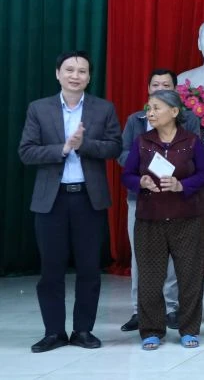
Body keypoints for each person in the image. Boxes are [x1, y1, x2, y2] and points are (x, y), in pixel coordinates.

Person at [19, 51, 122, 353]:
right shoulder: (39, 108)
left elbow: (115, 147)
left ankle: (83, 330)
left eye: (82, 71)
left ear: (89, 77)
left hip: (88, 199)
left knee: (89, 268)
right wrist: (63, 149)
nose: (75, 76)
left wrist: (84, 145)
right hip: (51, 201)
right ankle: (53, 332)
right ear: (58, 74)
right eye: (69, 70)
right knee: (51, 269)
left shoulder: (103, 108)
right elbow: (26, 151)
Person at [121, 90, 204, 350]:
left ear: (174, 112)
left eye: (156, 108)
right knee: (150, 279)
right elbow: (127, 175)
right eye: (149, 108)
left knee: (189, 277)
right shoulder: (142, 142)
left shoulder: (191, 141)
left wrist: (183, 185)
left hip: (186, 218)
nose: (150, 113)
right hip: (150, 219)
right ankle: (151, 330)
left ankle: (189, 329)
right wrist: (140, 181)